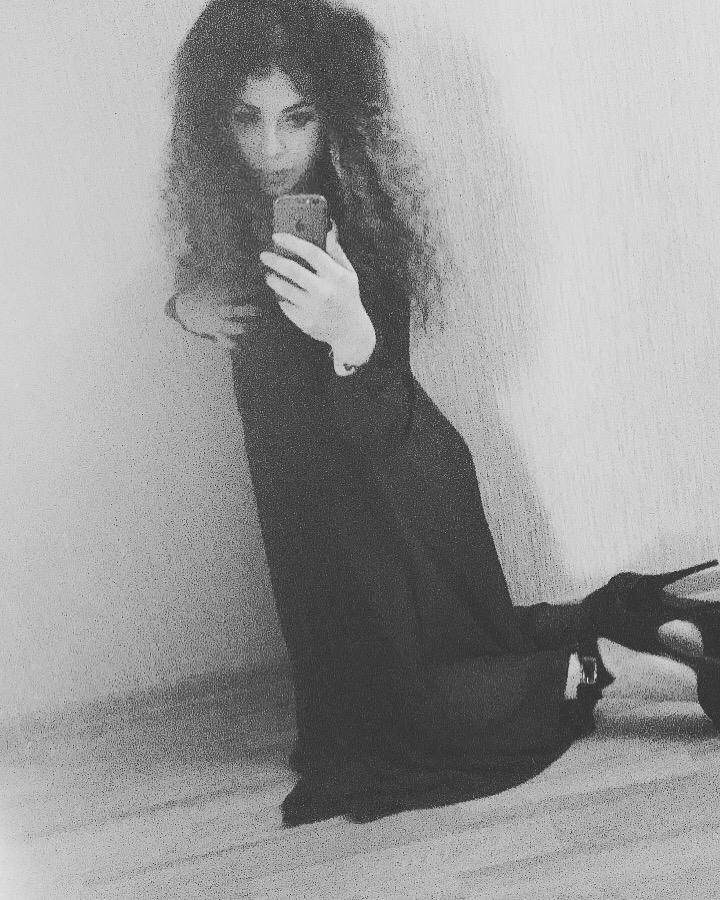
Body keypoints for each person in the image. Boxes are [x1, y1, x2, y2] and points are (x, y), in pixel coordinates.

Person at [163, 0, 720, 825]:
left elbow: (384, 412)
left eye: (297, 118)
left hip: (390, 498)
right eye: (248, 118)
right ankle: (649, 615)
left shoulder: (355, 226)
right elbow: (209, 286)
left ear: (332, 115)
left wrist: (350, 333)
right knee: (395, 690)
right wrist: (185, 304)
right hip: (310, 514)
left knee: (425, 719)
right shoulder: (232, 213)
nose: (271, 148)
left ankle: (615, 654)